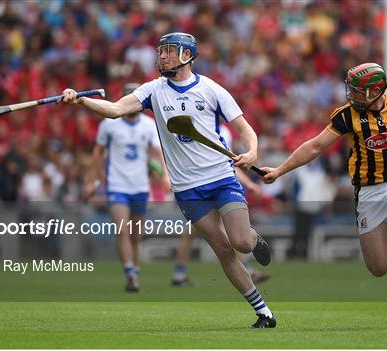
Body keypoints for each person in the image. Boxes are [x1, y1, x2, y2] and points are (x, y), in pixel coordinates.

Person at [62, 32, 276, 328]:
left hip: (221, 178)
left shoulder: (212, 90)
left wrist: (252, 152)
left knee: (240, 242)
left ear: (187, 55)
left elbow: (245, 128)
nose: (162, 56)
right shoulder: (153, 90)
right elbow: (114, 110)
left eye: (169, 51)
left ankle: (254, 238)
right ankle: (263, 311)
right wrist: (81, 100)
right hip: (188, 189)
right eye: (160, 52)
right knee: (223, 249)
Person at [262, 63, 387, 330]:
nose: (352, 95)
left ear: (376, 90)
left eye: (358, 91)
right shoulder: (346, 115)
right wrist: (279, 170)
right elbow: (315, 146)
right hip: (369, 191)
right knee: (378, 268)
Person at [86, 82, 170, 292]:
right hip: (117, 185)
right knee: (122, 230)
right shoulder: (109, 124)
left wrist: (165, 175)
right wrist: (91, 181)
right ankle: (129, 271)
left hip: (140, 186)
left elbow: (157, 154)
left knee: (135, 234)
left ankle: (135, 273)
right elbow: (98, 154)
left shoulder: (148, 125)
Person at [171, 123, 271, 286]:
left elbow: (227, 164)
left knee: (221, 233)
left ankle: (179, 273)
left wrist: (248, 183)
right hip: (195, 188)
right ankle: (179, 273)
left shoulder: (223, 131)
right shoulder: (195, 128)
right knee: (196, 233)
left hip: (214, 187)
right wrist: (249, 184)